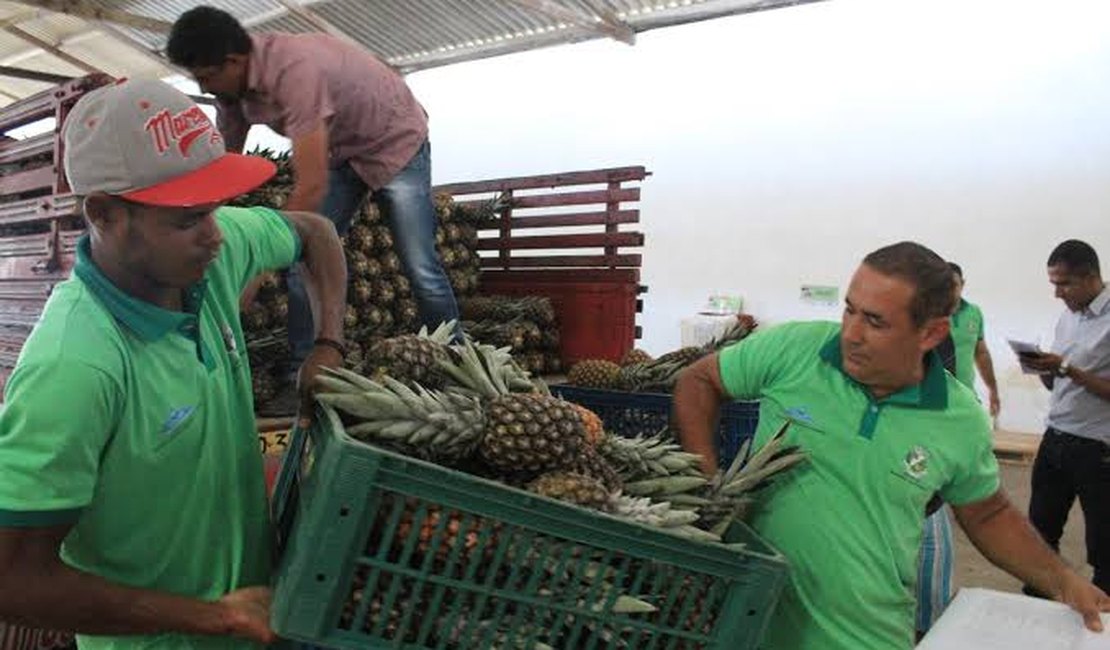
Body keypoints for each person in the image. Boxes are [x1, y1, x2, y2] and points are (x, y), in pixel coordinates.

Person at [0, 79, 347, 648]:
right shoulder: (76, 367)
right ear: (105, 214)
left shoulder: (214, 251)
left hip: (257, 621)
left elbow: (316, 232)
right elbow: (13, 579)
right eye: (187, 220)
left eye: (214, 209)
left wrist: (327, 344)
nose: (214, 235)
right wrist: (213, 617)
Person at [673, 241, 1109, 650]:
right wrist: (706, 483)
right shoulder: (796, 349)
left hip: (864, 635)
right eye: (850, 311)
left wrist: (1062, 580)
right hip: (750, 625)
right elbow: (700, 380)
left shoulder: (958, 419)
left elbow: (988, 513)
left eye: (875, 321)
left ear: (932, 333)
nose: (851, 334)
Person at [167, 6, 460, 414]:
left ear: (233, 61)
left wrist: (257, 267)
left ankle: (459, 366)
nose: (206, 86)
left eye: (206, 77)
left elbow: (310, 187)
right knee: (301, 259)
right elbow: (222, 168)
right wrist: (195, 225)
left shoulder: (294, 71)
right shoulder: (231, 92)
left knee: (420, 265)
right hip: (344, 151)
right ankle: (300, 374)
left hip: (394, 140)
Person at [1019, 239, 1110, 598]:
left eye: (1064, 283)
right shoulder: (1068, 316)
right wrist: (1043, 368)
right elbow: (1060, 380)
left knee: (1104, 542)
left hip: (1098, 448)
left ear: (1091, 278)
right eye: (1054, 283)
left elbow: (1077, 374)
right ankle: (1037, 605)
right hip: (1056, 437)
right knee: (1039, 532)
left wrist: (1067, 368)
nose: (1057, 293)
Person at [948, 262, 1001, 416]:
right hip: (934, 400)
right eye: (943, 285)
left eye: (954, 285)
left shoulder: (974, 312)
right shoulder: (928, 314)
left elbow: (981, 354)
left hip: (966, 397)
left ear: (962, 284)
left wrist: (993, 389)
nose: (949, 291)